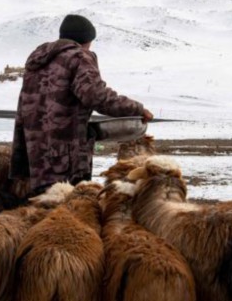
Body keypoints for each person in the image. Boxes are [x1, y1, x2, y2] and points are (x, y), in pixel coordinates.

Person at [10, 14, 153, 195]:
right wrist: (137, 109)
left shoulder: (39, 60)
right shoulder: (78, 58)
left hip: (34, 150)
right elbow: (96, 95)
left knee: (40, 204)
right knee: (68, 208)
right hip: (64, 153)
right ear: (87, 39)